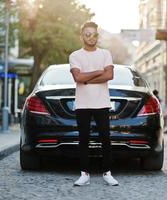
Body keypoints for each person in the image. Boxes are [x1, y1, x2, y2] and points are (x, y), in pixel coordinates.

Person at [69, 21, 118, 186]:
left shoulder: (105, 54)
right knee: (84, 139)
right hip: (83, 104)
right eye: (87, 34)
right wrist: (98, 71)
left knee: (105, 138)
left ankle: (107, 173)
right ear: (82, 36)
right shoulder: (75, 56)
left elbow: (109, 75)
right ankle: (84, 174)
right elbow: (78, 78)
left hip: (102, 103)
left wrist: (87, 78)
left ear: (98, 36)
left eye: (94, 34)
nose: (91, 38)